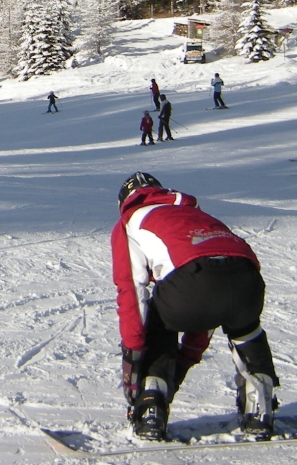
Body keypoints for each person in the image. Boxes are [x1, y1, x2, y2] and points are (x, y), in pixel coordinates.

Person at [112, 172, 280, 440]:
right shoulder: (194, 213)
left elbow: (131, 290)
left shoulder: (131, 221)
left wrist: (134, 354)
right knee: (247, 330)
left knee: (159, 322)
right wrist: (187, 356)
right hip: (247, 279)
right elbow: (211, 299)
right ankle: (259, 408)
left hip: (192, 283)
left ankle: (151, 408)